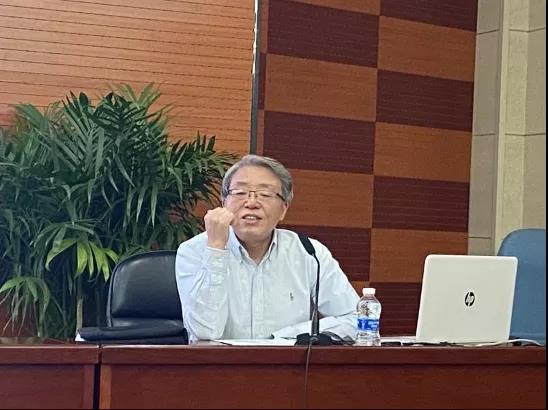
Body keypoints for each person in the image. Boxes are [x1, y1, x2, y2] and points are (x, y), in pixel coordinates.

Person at [175, 154, 359, 341]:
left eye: (265, 194)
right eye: (240, 192)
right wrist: (215, 249)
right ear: (224, 203)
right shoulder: (194, 251)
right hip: (218, 361)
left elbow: (356, 319)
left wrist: (286, 337)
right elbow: (205, 332)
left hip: (288, 360)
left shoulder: (309, 252)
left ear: (283, 209)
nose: (251, 203)